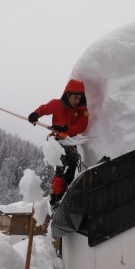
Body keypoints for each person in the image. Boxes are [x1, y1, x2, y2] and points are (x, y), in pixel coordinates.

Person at [28, 79, 89, 207]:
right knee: (61, 167)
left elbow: (82, 126)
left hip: (71, 141)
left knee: (73, 163)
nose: (77, 101)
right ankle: (56, 197)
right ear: (68, 95)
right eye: (75, 98)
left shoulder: (82, 109)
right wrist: (35, 115)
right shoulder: (57, 104)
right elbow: (43, 109)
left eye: (79, 98)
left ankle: (67, 192)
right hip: (57, 143)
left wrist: (67, 129)